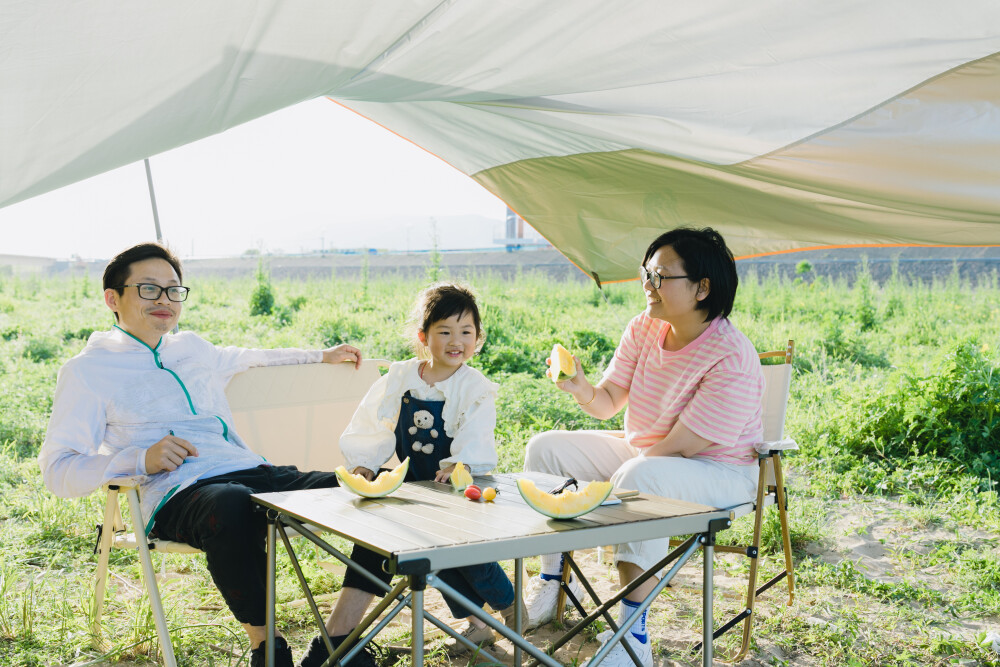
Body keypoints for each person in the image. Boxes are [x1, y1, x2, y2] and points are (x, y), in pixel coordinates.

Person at [38, 242, 386, 667]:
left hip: (254, 472)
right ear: (113, 298)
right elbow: (57, 470)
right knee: (232, 503)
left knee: (375, 491)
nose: (165, 300)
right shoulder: (87, 371)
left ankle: (337, 641)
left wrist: (320, 356)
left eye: (173, 289)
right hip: (182, 493)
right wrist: (138, 458)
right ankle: (268, 648)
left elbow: (252, 359)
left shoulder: (192, 349)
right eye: (148, 289)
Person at [522, 228, 765, 667]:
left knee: (640, 475)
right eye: (646, 273)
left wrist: (619, 483)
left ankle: (632, 639)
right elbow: (610, 400)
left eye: (660, 275)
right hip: (649, 457)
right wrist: (580, 386)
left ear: (702, 287)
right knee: (545, 449)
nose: (647, 285)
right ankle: (555, 580)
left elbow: (683, 444)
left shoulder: (731, 355)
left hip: (717, 471)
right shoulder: (644, 326)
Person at [339, 282, 525, 655]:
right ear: (424, 336)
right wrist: (367, 461)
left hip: (461, 484)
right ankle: (477, 624)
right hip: (419, 485)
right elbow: (377, 419)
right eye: (444, 331)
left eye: (466, 332)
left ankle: (512, 608)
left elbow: (476, 429)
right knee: (436, 564)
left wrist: (461, 461)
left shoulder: (474, 386)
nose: (456, 341)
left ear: (479, 338)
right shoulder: (402, 375)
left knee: (470, 558)